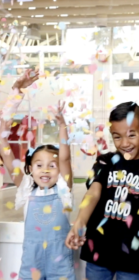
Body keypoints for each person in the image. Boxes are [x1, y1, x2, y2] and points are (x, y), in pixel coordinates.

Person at [65, 101, 139, 280]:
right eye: (117, 137)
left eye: (131, 135)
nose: (125, 143)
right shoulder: (105, 161)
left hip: (132, 255)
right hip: (98, 251)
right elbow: (93, 193)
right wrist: (80, 221)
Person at [0, 73, 75, 279]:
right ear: (30, 169)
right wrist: (16, 91)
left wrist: (62, 127)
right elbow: (3, 142)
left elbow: (66, 159)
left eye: (52, 165)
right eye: (39, 165)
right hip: (31, 263)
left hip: (59, 263)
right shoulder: (25, 187)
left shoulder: (63, 189)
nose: (45, 170)